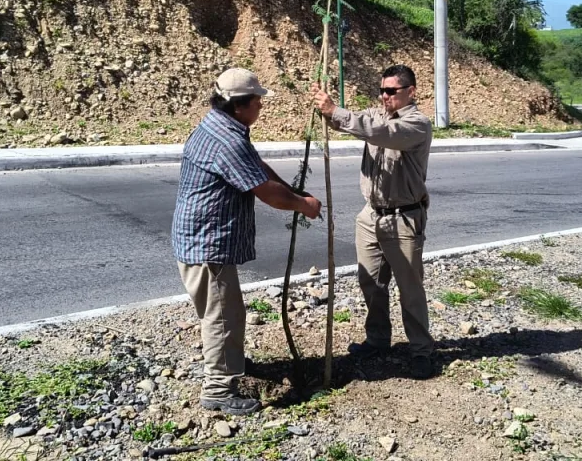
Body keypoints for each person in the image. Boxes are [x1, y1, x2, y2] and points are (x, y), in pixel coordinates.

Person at [172, 67, 322, 415]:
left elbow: (256, 166)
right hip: (206, 244)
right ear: (240, 106)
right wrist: (303, 205)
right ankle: (218, 390)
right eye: (257, 101)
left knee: (227, 312)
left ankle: (230, 360)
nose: (261, 107)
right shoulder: (226, 140)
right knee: (222, 315)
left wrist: (294, 190)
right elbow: (266, 192)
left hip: (201, 240)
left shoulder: (221, 126)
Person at [311, 64, 436, 379]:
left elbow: (382, 133)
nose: (385, 96)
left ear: (411, 91)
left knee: (410, 288)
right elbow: (355, 123)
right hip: (371, 215)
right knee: (371, 282)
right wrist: (326, 109)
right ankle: (378, 339)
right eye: (382, 90)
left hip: (403, 217)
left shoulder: (417, 124)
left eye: (391, 91)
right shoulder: (377, 115)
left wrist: (337, 111)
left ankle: (421, 350)